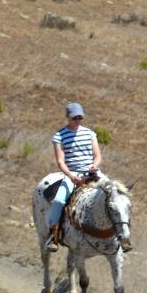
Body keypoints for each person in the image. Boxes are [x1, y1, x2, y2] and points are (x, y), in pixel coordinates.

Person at [45, 102, 102, 252]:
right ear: (68, 117)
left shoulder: (90, 133)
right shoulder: (59, 136)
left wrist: (94, 165)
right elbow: (60, 161)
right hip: (73, 173)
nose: (78, 120)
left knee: (114, 193)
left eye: (80, 117)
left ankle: (120, 233)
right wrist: (70, 176)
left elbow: (97, 155)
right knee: (58, 200)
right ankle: (53, 234)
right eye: (75, 117)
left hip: (92, 172)